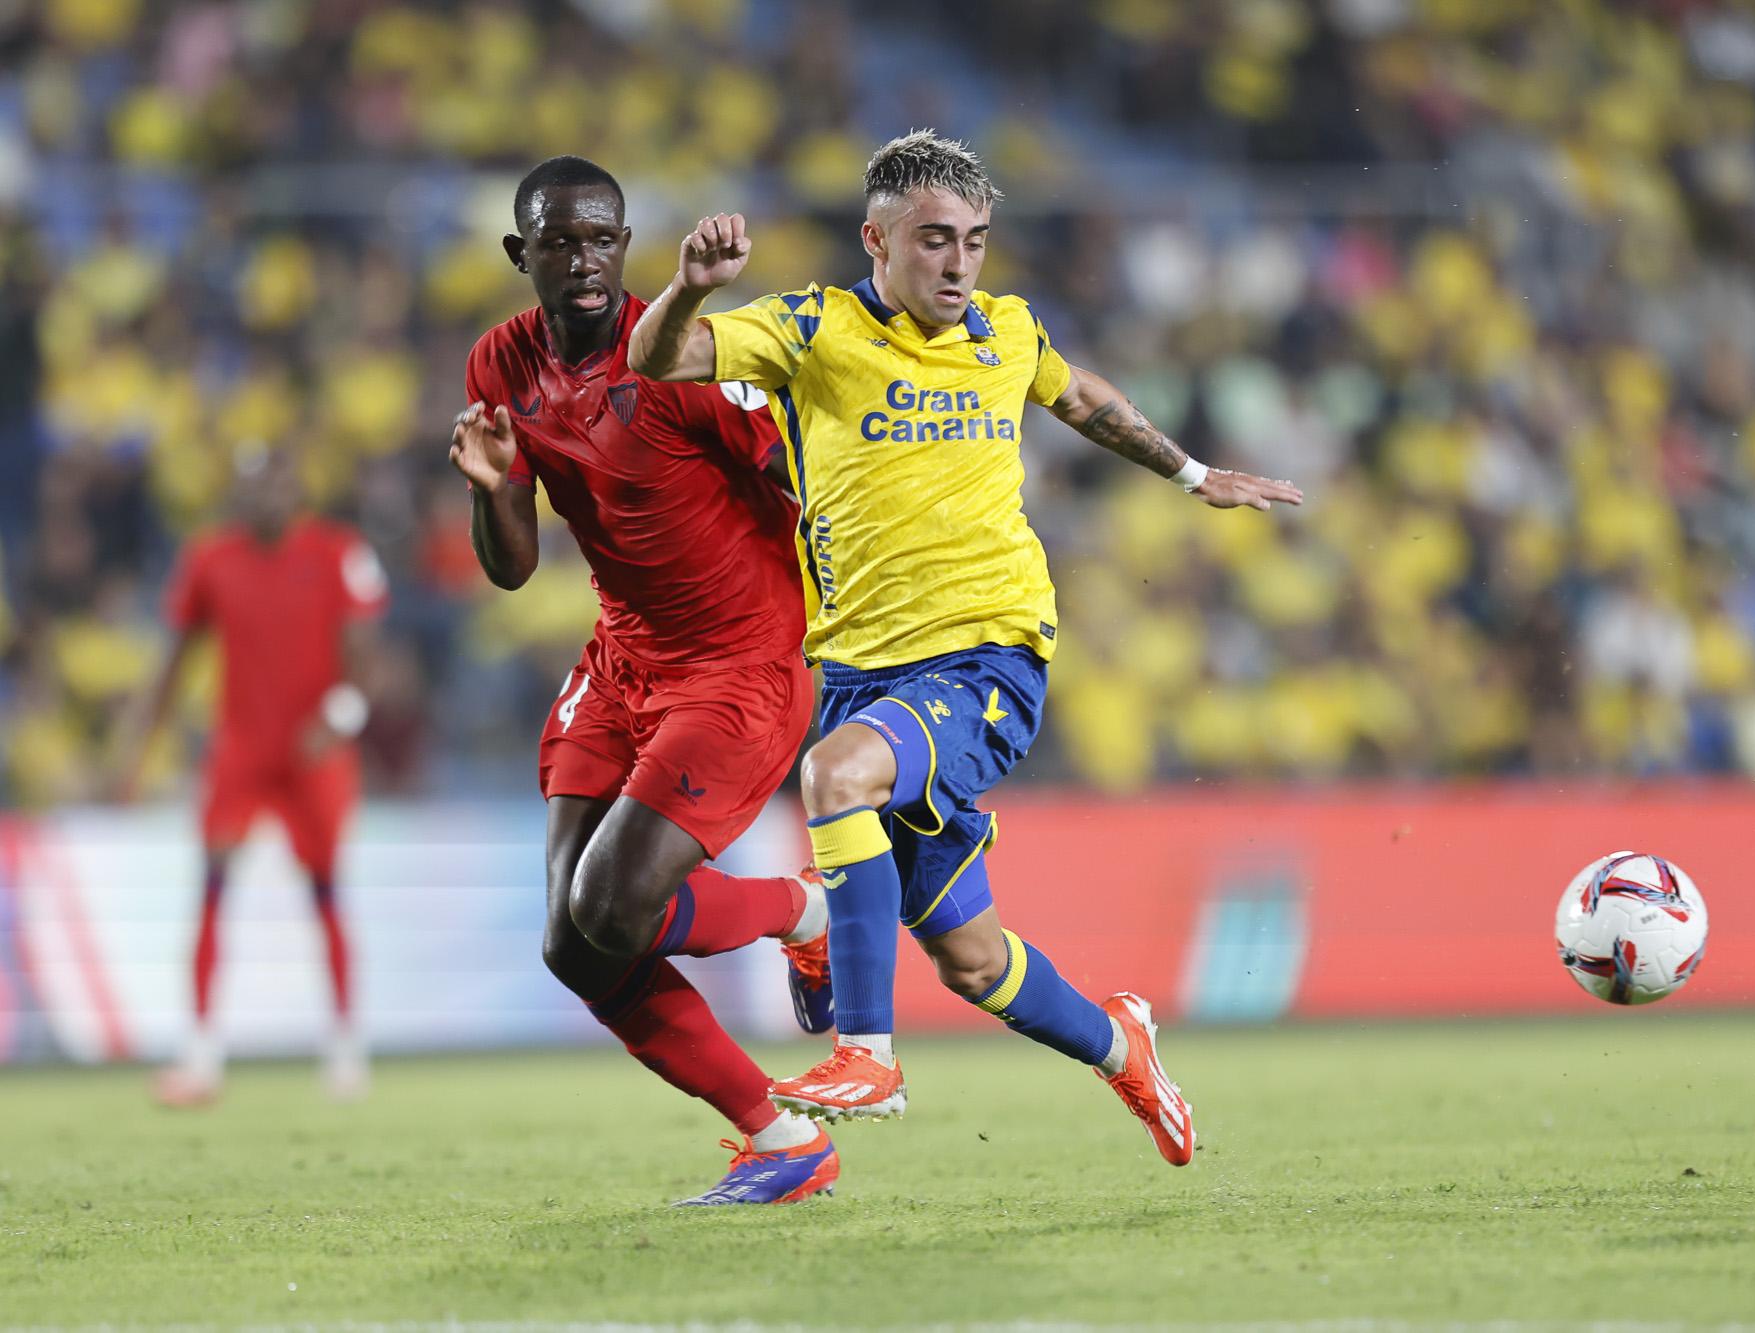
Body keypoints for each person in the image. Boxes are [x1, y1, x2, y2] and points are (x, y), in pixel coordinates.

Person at [628, 131, 1302, 1164]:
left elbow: (1082, 399)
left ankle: (868, 1053)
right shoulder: (813, 329)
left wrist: (1191, 474)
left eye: (974, 242)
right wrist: (685, 287)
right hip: (861, 673)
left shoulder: (1008, 333)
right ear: (877, 239)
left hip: (987, 659)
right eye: (934, 240)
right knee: (971, 957)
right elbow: (655, 358)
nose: (957, 265)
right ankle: (1119, 1043)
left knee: (834, 777)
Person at [454, 155, 837, 1205]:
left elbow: (804, 485)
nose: (584, 261)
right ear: (518, 254)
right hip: (623, 656)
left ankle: (804, 912)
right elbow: (513, 565)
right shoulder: (501, 360)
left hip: (738, 661)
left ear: (624, 247)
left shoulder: (681, 362)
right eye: (560, 242)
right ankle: (779, 1141)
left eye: (602, 241)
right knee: (569, 947)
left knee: (612, 907)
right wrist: (492, 491)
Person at [119, 445, 384, 1106]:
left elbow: (369, 656)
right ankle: (201, 1056)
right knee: (212, 885)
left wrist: (340, 717)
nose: (265, 491)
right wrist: (136, 745)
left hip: (312, 753)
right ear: (237, 489)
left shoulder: (336, 551)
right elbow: (174, 659)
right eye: (254, 480)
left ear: (297, 485)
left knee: (324, 891)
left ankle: (345, 1048)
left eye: (277, 477)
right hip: (241, 749)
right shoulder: (210, 557)